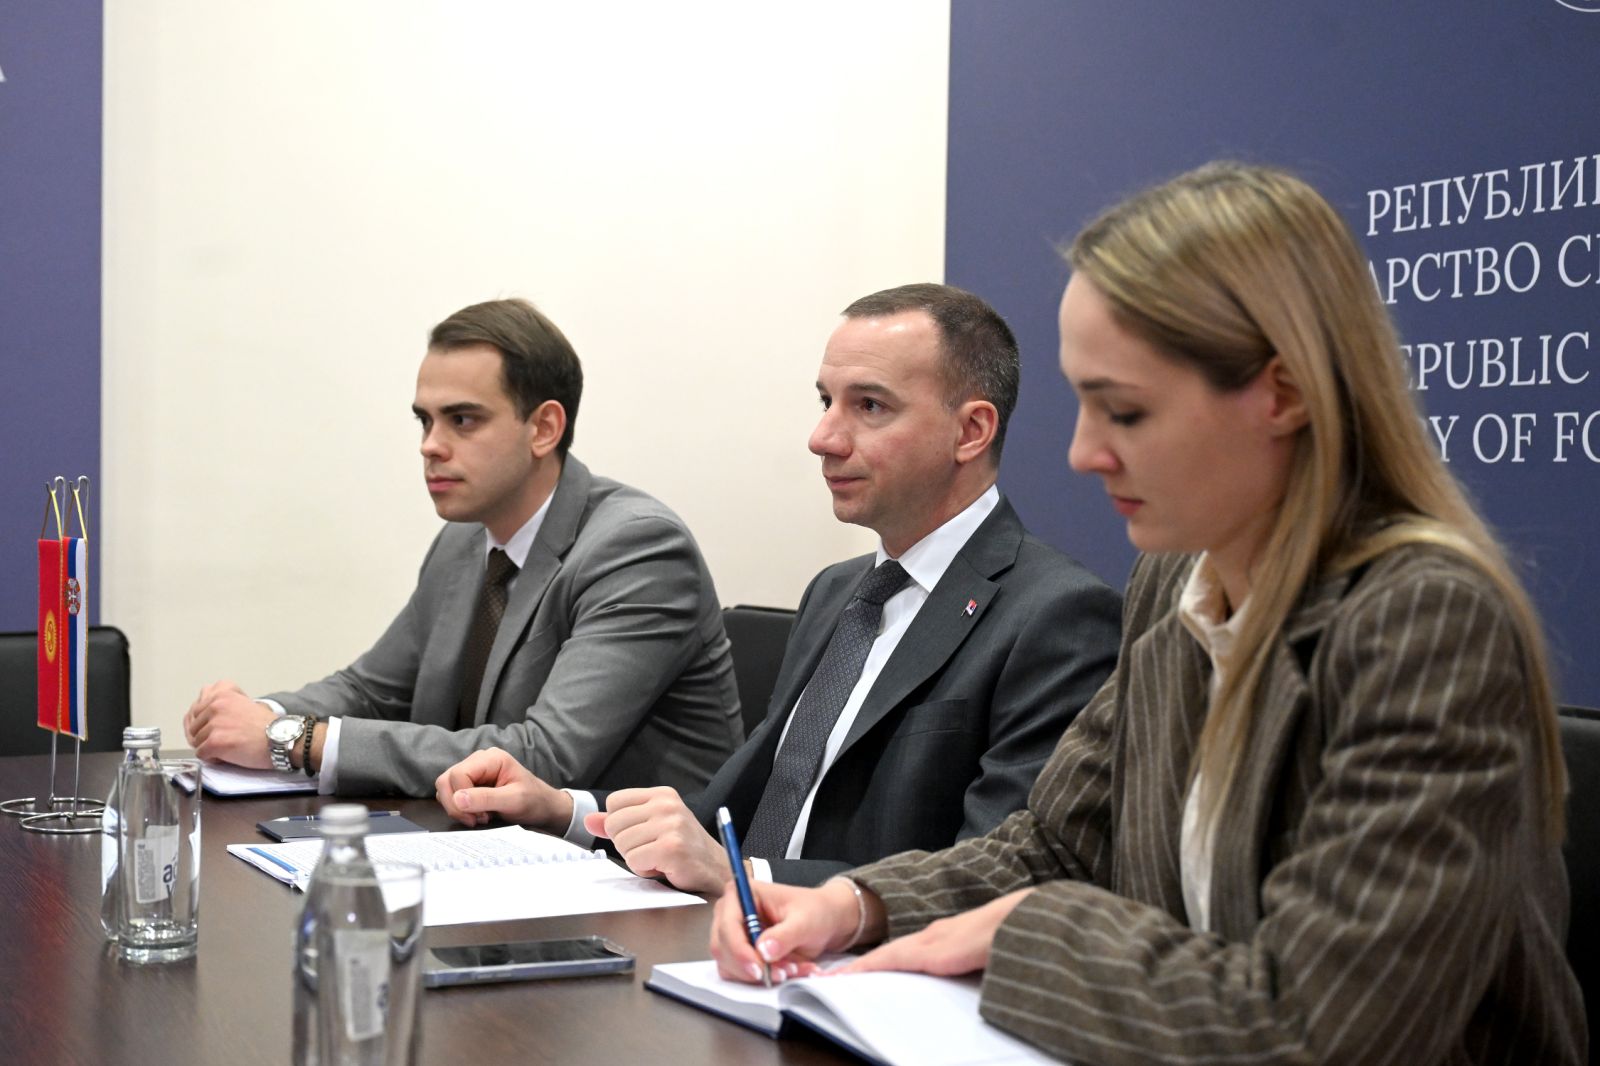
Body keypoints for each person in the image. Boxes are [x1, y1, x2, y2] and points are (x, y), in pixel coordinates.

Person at [709, 164, 1586, 1064]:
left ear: (1283, 393)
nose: (1084, 452)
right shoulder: (1176, 581)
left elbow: (1318, 1026)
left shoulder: (1427, 619)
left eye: (1124, 411)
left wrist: (1027, 931)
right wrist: (854, 906)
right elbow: (1056, 845)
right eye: (1085, 403)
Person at [434, 283, 1121, 891]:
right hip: (739, 950)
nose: (823, 437)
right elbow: (728, 815)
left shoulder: (1055, 616)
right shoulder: (839, 592)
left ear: (970, 431)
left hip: (867, 974)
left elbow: (996, 878)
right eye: (826, 402)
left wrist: (745, 878)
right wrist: (564, 811)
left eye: (869, 406)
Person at [183, 298, 742, 797]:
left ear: (544, 428)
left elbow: (543, 758)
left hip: (632, 867)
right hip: (490, 846)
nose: (430, 446)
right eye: (425, 421)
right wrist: (258, 714)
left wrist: (291, 740)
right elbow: (371, 690)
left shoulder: (637, 549)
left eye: (462, 420)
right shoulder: (464, 539)